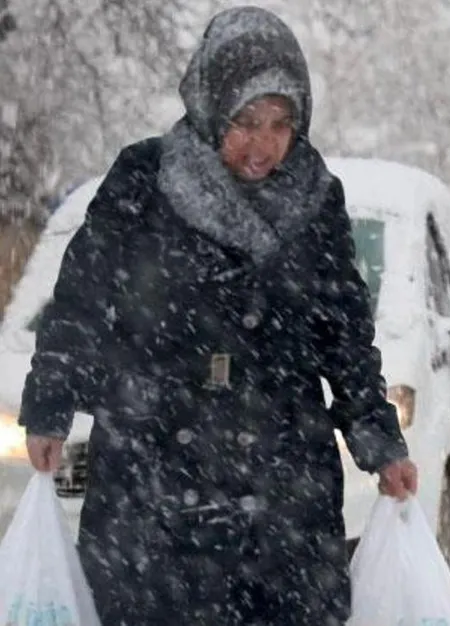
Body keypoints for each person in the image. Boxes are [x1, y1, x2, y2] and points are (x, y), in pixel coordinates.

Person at [17, 7, 417, 624]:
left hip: (283, 484)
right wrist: (49, 406)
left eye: (282, 124)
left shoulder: (316, 195)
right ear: (211, 105)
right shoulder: (144, 180)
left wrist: (379, 440)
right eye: (246, 122)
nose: (264, 145)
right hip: (153, 469)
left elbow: (344, 333)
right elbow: (81, 303)